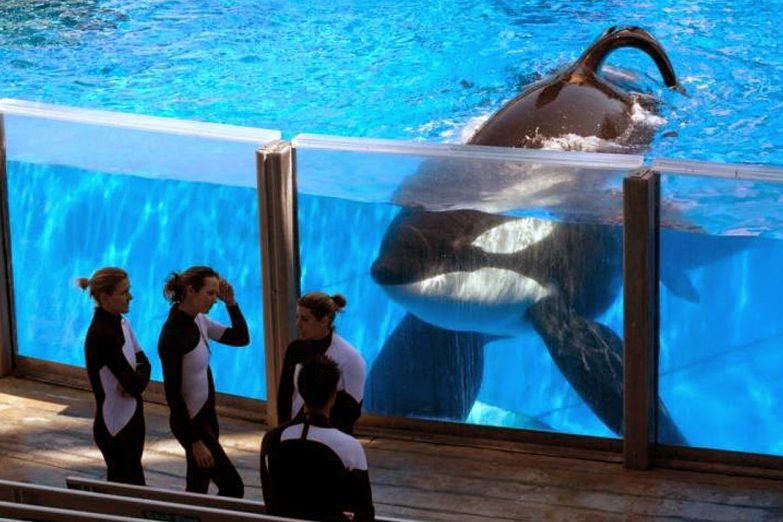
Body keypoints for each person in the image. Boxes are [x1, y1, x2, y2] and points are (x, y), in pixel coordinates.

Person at [157, 266, 249, 497]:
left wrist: (231, 303)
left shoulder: (200, 321)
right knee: (233, 487)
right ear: (190, 291)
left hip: (207, 418)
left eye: (216, 294)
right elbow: (173, 395)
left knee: (197, 488)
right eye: (210, 293)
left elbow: (241, 338)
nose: (214, 300)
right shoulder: (173, 334)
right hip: (193, 425)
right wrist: (195, 441)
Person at [261, 356, 375, 522]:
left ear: (300, 390)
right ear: (334, 395)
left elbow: (269, 498)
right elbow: (365, 512)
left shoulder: (272, 438)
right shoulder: (350, 447)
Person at [79, 267, 151, 485]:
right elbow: (134, 384)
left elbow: (145, 364)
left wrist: (138, 376)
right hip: (116, 428)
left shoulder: (122, 322)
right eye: (123, 292)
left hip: (132, 420)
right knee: (128, 491)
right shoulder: (102, 333)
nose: (130, 296)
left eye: (129, 290)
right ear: (104, 297)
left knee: (135, 488)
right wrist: (137, 378)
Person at [277, 292, 366, 435]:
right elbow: (284, 395)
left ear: (325, 320)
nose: (298, 324)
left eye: (305, 319)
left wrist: (319, 435)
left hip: (333, 435)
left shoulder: (351, 358)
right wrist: (283, 431)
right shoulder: (295, 349)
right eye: (297, 317)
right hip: (296, 430)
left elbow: (352, 411)